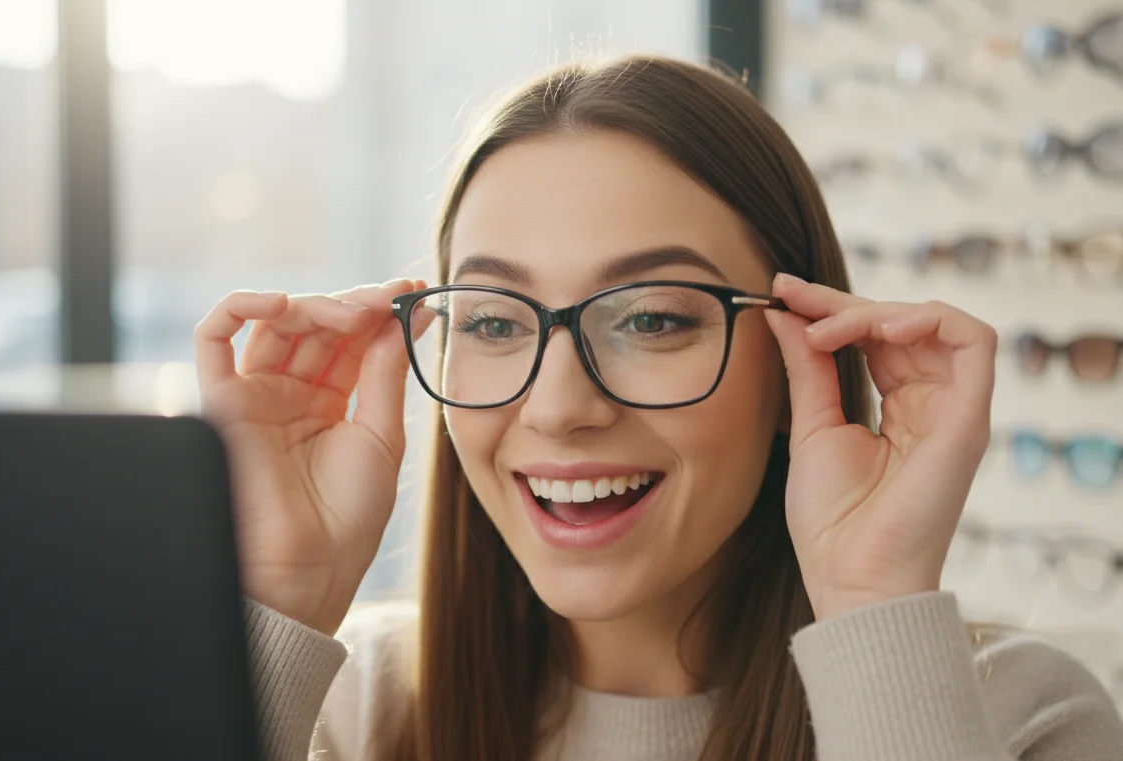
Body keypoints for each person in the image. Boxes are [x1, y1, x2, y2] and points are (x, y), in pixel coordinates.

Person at [194, 56, 1123, 761]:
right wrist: (284, 595)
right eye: (490, 320)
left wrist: (875, 598)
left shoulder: (1018, 718)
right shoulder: (347, 712)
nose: (559, 407)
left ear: (801, 353)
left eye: (651, 318)